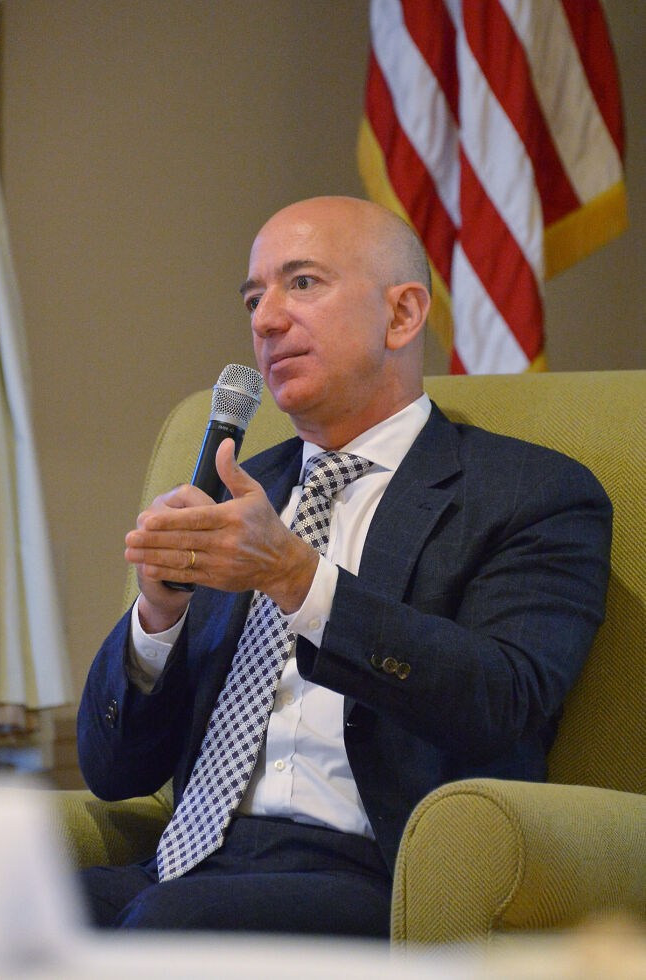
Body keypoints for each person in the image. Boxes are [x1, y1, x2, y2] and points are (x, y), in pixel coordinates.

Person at [77, 196, 612, 935]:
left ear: (402, 314)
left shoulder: (529, 494)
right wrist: (157, 618)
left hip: (376, 873)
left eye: (301, 284)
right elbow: (115, 774)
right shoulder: (240, 495)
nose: (266, 320)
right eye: (254, 296)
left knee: (167, 923)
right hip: (185, 863)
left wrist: (300, 580)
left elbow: (505, 702)